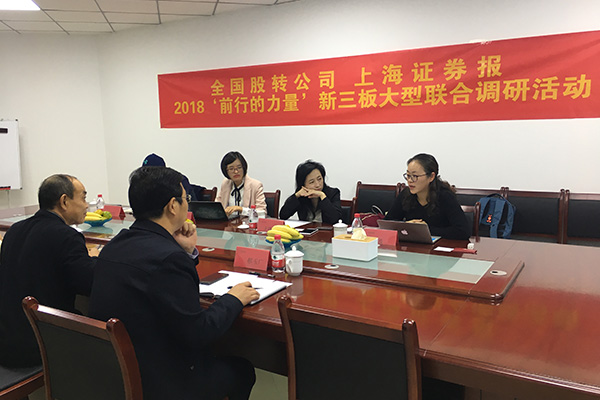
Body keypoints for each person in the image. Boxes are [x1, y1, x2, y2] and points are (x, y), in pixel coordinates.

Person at [88, 166, 259, 400]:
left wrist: (185, 251)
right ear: (172, 206)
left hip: (115, 373)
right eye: (185, 199)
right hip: (161, 382)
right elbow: (199, 332)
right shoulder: (168, 258)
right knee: (242, 370)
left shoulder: (115, 246)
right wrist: (234, 298)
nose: (187, 204)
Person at [0, 174, 97, 367]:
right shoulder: (66, 237)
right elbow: (88, 284)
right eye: (83, 198)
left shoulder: (14, 231)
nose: (86, 206)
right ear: (64, 201)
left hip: (7, 339)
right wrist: (96, 261)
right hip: (41, 344)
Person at [385, 153, 470, 240]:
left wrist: (424, 230)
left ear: (431, 177)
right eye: (408, 175)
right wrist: (407, 225)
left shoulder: (445, 196)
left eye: (415, 176)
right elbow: (387, 224)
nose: (410, 180)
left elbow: (463, 231)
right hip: (413, 245)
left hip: (441, 246)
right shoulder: (406, 194)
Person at [279, 160, 342, 224]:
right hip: (305, 230)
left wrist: (322, 196)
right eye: (312, 182)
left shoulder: (333, 193)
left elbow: (335, 220)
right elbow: (283, 216)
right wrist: (296, 195)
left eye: (319, 179)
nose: (317, 185)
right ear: (303, 185)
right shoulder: (301, 196)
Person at [216, 151, 266, 217]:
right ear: (226, 171)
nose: (236, 171)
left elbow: (262, 213)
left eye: (239, 167)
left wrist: (241, 210)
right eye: (231, 168)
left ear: (244, 167)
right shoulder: (226, 184)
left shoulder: (256, 185)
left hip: (247, 222)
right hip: (229, 223)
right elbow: (217, 207)